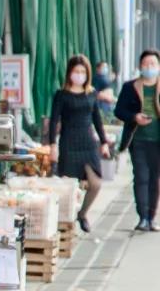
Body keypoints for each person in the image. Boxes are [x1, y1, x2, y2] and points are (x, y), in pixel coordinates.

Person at [48, 55, 109, 232]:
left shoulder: (92, 94)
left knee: (95, 183)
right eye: (76, 71)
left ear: (88, 74)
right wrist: (52, 145)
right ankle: (64, 222)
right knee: (67, 186)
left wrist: (104, 142)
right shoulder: (61, 95)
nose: (79, 75)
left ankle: (82, 214)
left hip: (88, 143)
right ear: (69, 73)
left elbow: (97, 119)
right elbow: (53, 121)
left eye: (83, 71)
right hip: (68, 142)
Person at [114, 49, 160, 231]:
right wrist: (134, 117)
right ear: (140, 66)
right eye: (146, 64)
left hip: (157, 141)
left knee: (155, 179)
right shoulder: (130, 87)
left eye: (153, 64)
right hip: (138, 139)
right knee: (141, 177)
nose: (149, 67)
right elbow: (119, 111)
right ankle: (142, 217)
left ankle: (151, 217)